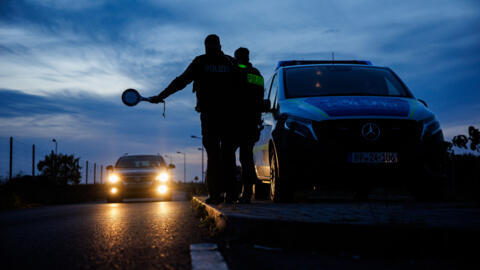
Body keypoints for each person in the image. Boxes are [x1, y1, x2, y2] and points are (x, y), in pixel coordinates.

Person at [149, 34, 239, 204]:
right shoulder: (230, 62)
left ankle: (216, 194)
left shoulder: (201, 62)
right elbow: (241, 89)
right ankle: (231, 194)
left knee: (214, 155)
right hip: (229, 116)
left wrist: (162, 95)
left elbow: (181, 81)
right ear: (220, 45)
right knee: (227, 154)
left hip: (211, 115)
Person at [233, 47, 264, 203]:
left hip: (235, 121)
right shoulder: (256, 74)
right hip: (251, 121)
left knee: (231, 156)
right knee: (247, 157)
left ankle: (233, 192)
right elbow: (260, 96)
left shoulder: (233, 73)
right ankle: (247, 192)